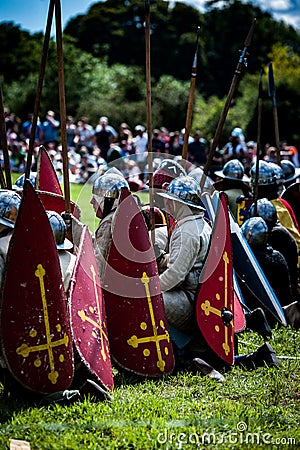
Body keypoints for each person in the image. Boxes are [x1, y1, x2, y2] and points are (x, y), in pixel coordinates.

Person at [91, 170, 129, 282]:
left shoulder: (108, 223)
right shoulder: (124, 215)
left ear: (106, 200)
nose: (91, 201)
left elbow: (99, 265)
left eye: (96, 198)